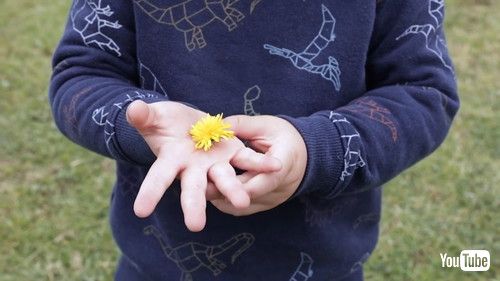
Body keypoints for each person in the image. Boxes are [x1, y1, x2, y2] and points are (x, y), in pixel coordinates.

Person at [49, 0, 459, 280]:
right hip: (156, 264)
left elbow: (422, 92)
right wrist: (141, 123)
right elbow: (83, 74)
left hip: (324, 265)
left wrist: (315, 148)